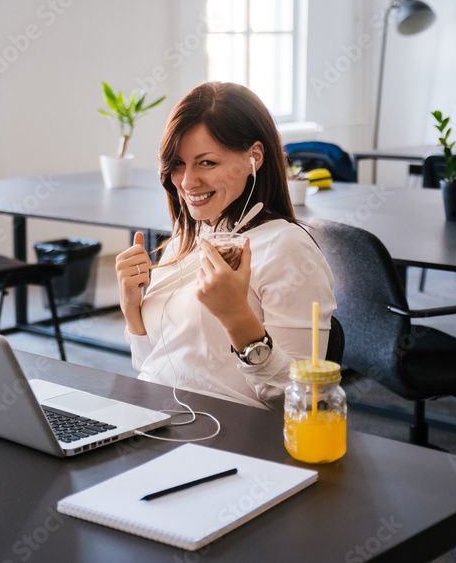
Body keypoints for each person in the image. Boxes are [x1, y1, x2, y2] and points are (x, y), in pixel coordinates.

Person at [115, 81, 337, 409]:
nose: (187, 181)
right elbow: (153, 365)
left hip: (229, 437)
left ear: (254, 158)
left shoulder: (287, 248)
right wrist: (131, 308)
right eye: (178, 163)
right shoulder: (188, 238)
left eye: (207, 163)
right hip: (157, 416)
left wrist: (236, 318)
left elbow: (305, 400)